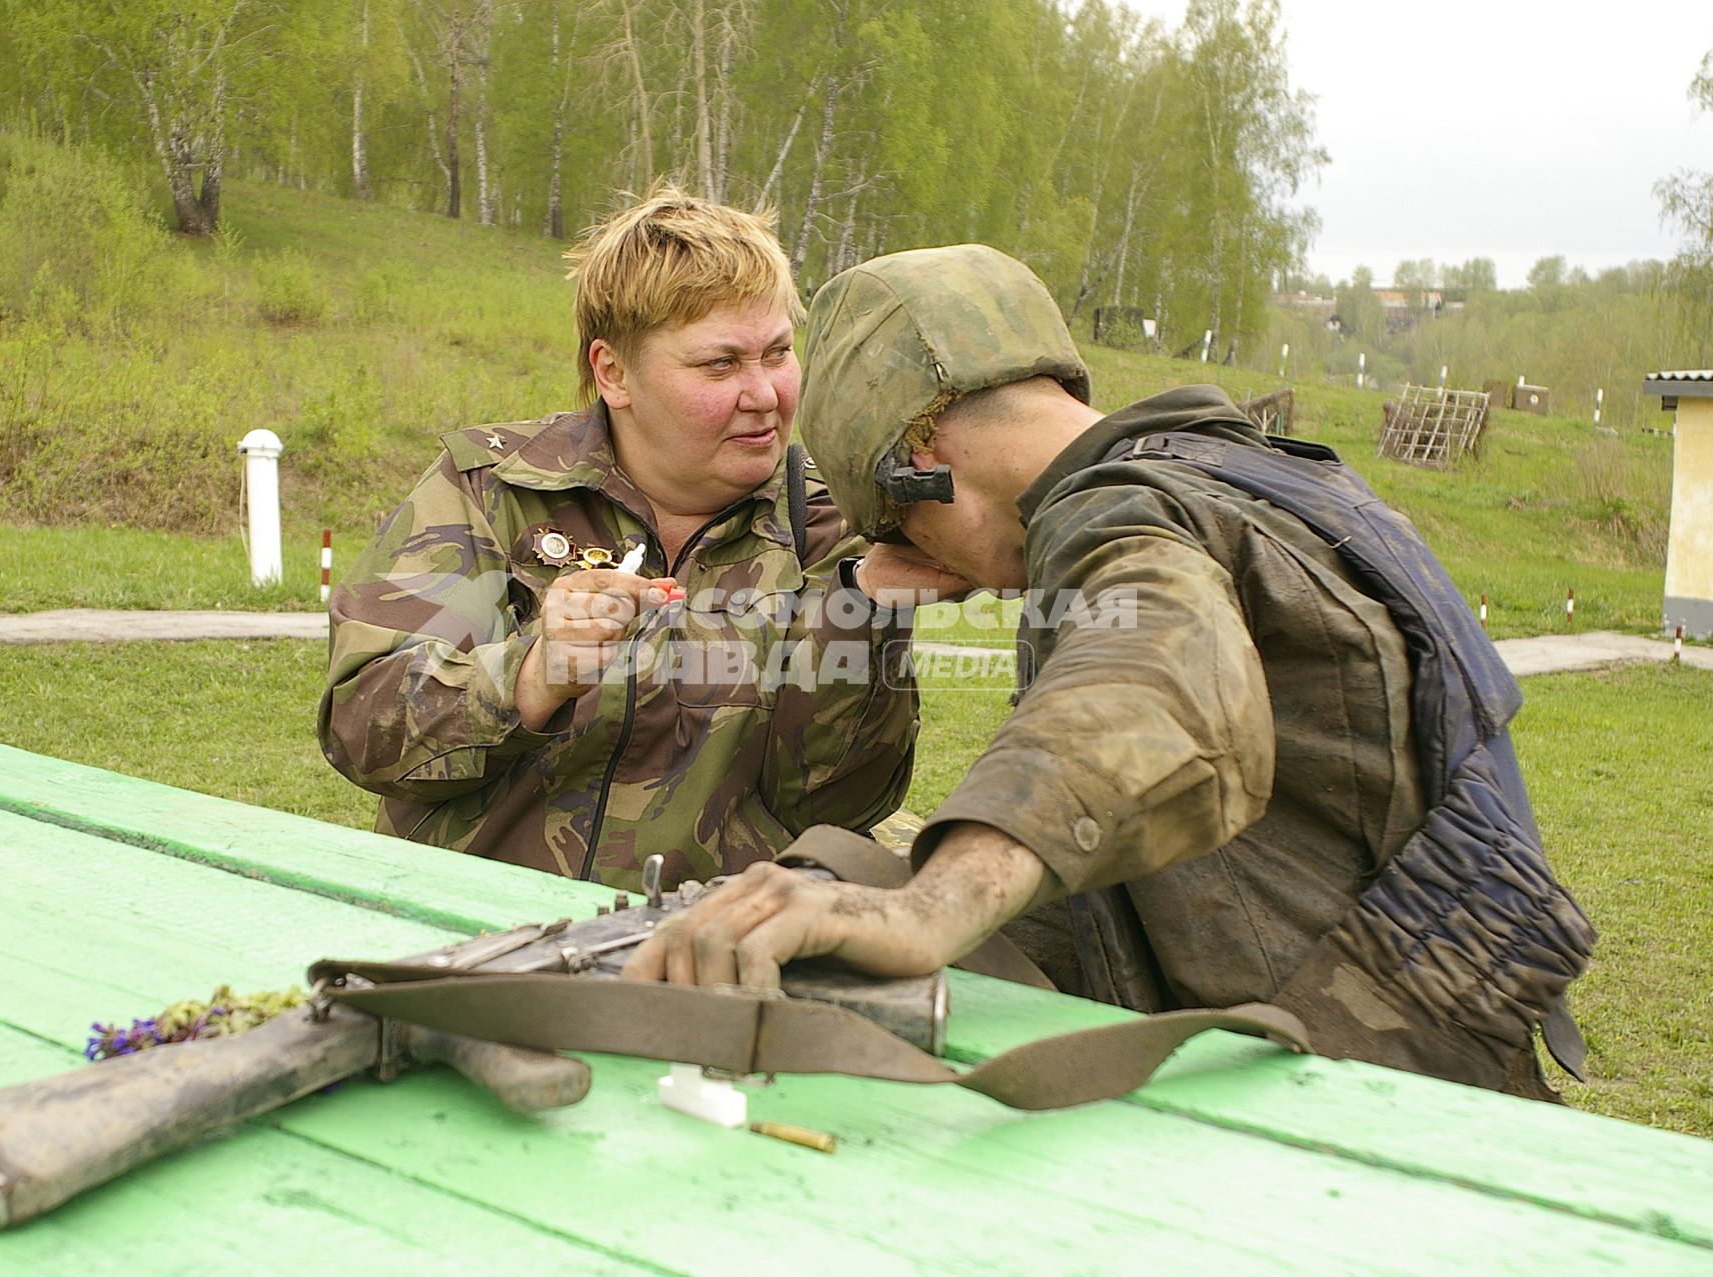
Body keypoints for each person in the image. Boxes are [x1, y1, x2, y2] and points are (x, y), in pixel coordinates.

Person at [625, 243, 1594, 1098]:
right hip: (1453, 1056)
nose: (925, 558)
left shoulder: (1113, 514)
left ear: (923, 448)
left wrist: (926, 904)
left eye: (900, 521)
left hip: (1367, 1113)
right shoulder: (1261, 476)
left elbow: (1161, 681)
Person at [318, 187, 924, 892]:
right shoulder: (495, 492)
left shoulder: (828, 530)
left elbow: (841, 804)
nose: (764, 394)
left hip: (703, 955)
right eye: (719, 365)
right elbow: (365, 728)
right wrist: (532, 675)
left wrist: (866, 606)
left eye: (778, 353)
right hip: (471, 933)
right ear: (613, 372)